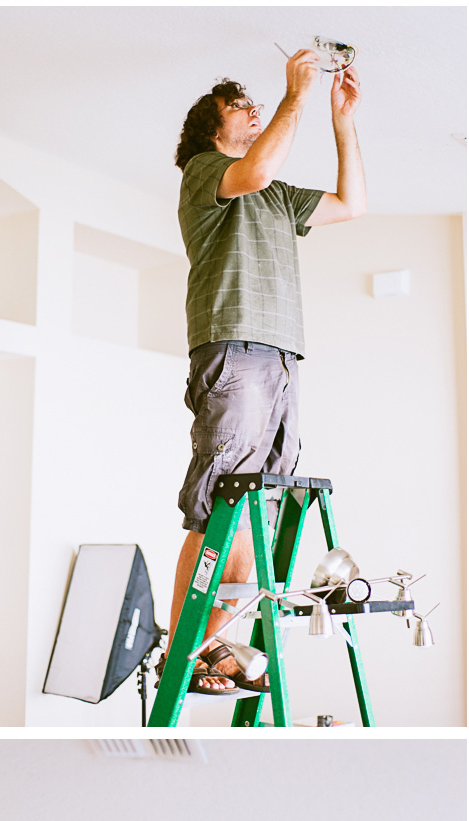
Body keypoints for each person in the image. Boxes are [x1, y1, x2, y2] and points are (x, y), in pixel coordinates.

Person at [162, 49, 364, 694]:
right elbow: (255, 169)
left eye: (256, 104)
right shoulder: (205, 171)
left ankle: (217, 648)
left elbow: (351, 206)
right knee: (216, 500)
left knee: (255, 507)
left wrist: (342, 120)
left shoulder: (276, 193)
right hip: (234, 344)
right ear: (211, 129)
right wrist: (295, 96)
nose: (252, 110)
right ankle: (184, 655)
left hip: (281, 353)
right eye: (238, 107)